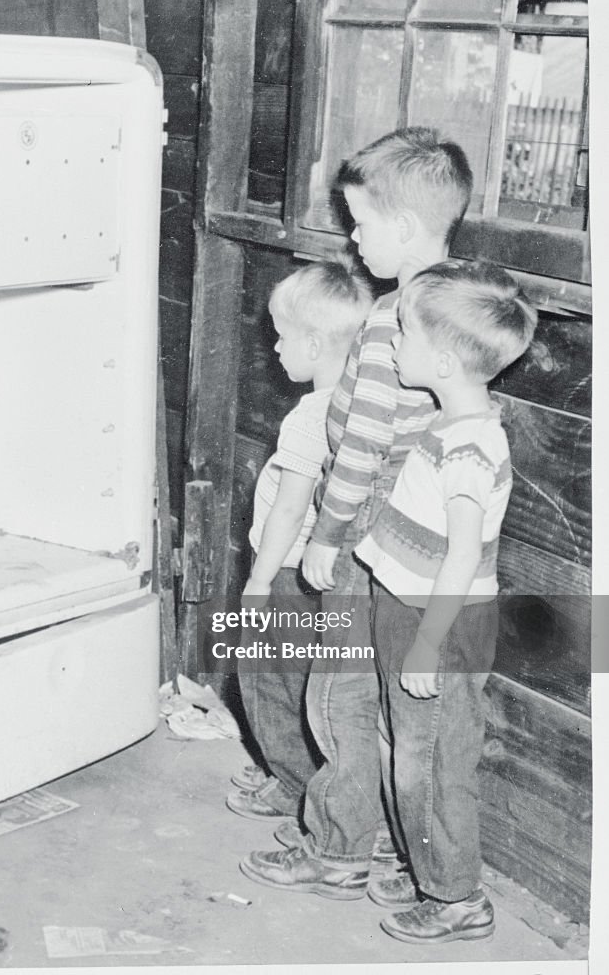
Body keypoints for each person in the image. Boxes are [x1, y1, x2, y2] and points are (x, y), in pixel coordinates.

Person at [240, 127, 473, 900]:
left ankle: (339, 849)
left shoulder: (388, 323)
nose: (350, 236)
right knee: (372, 701)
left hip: (360, 528)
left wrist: (327, 537)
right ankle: (369, 843)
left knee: (336, 697)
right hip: (413, 533)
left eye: (359, 222)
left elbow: (362, 446)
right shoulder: (448, 305)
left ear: (402, 228)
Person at [356, 260, 536, 943]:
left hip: (440, 623)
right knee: (406, 745)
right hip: (405, 605)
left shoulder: (467, 448)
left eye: (402, 334)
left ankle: (456, 895)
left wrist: (428, 644)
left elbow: (461, 556)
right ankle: (424, 860)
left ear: (441, 360)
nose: (394, 345)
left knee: (429, 760)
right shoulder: (446, 420)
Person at [228, 260, 373, 822]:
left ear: (313, 343)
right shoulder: (356, 406)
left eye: (282, 337)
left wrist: (258, 582)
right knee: (310, 685)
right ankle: (298, 774)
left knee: (266, 681)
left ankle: (291, 784)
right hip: (330, 576)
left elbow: (289, 509)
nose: (275, 349)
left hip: (286, 573)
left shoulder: (310, 417)